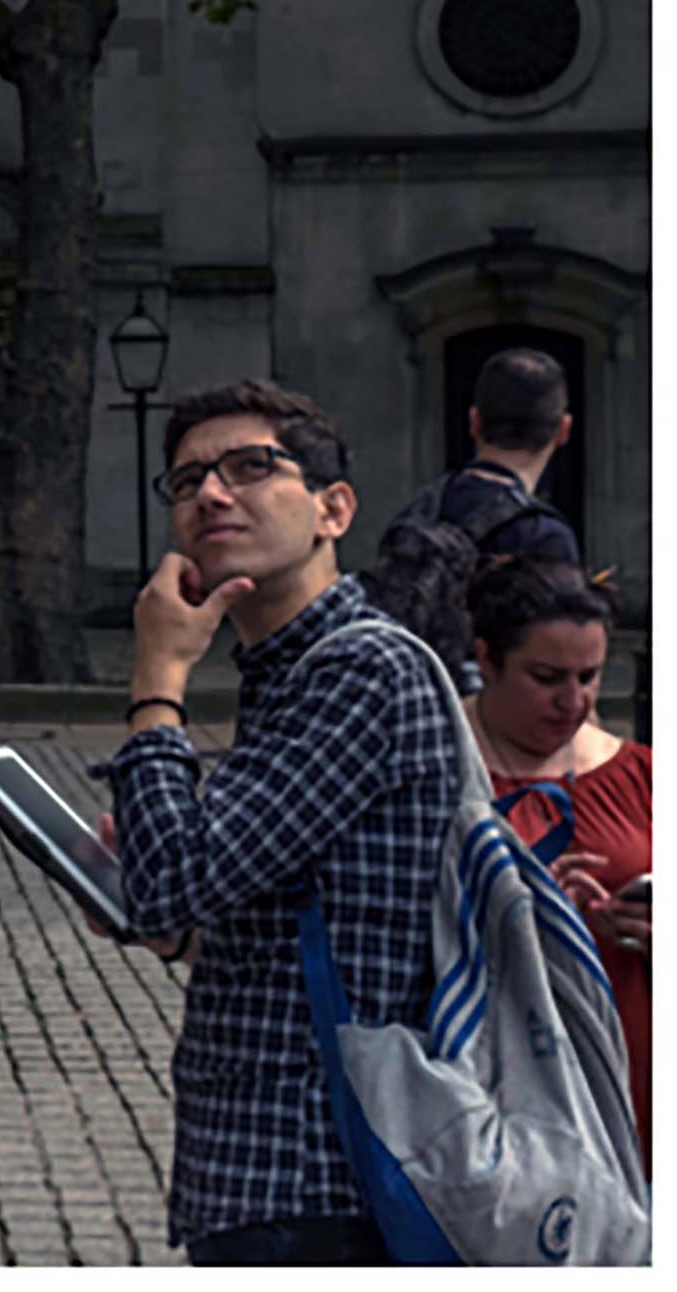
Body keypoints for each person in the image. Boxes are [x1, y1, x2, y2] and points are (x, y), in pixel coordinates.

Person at [102, 380, 456, 1265]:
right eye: (186, 482)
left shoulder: (360, 672)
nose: (212, 494)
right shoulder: (290, 673)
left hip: (317, 1176)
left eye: (251, 468)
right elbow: (244, 905)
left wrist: (158, 680)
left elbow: (169, 886)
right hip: (268, 1172)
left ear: (334, 508)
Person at [466, 555, 650, 1172]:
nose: (573, 701)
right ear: (486, 659)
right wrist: (527, 916)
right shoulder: (435, 770)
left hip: (635, 1084)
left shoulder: (642, 775)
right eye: (546, 677)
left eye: (590, 677)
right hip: (494, 1095)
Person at [365, 347, 579, 693]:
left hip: (408, 706)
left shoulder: (421, 509)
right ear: (563, 431)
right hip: (492, 727)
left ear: (474, 422)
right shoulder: (545, 535)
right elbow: (559, 670)